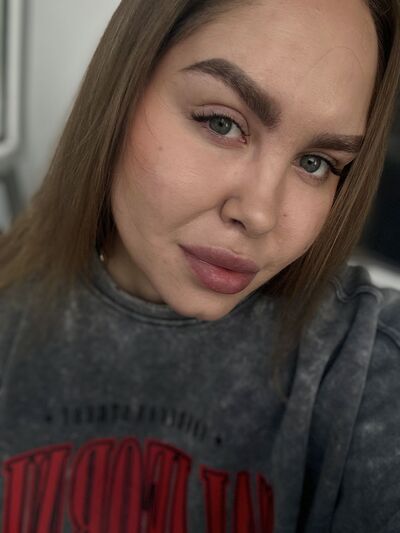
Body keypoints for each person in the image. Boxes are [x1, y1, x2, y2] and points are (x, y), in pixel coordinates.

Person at [0, 0, 399, 531]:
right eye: (221, 123)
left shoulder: (364, 358)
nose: (259, 214)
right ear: (122, 90)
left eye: (315, 163)